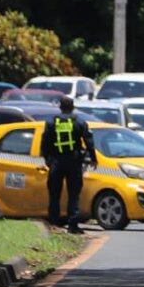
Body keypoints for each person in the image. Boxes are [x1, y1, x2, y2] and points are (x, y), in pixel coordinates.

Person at [42, 96, 97, 234]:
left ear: (60, 107)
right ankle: (73, 225)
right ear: (72, 107)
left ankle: (54, 223)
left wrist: (47, 159)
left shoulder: (51, 122)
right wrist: (93, 158)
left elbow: (45, 142)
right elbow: (89, 141)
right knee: (74, 194)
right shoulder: (79, 122)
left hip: (56, 162)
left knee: (54, 193)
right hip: (74, 162)